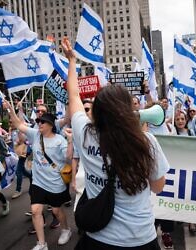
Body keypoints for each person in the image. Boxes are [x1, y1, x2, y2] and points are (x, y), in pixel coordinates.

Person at [63, 37, 169, 249]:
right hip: (140, 238)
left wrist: (72, 61)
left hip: (98, 238)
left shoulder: (84, 133)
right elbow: (158, 187)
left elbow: (74, 95)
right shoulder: (146, 141)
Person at [3, 102, 72, 250]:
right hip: (38, 182)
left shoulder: (60, 140)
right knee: (35, 211)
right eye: (38, 121)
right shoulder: (35, 134)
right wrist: (10, 109)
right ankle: (41, 243)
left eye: (43, 122)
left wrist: (71, 140)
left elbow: (68, 157)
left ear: (51, 125)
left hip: (55, 182)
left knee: (56, 210)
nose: (39, 123)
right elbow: (19, 124)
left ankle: (66, 229)